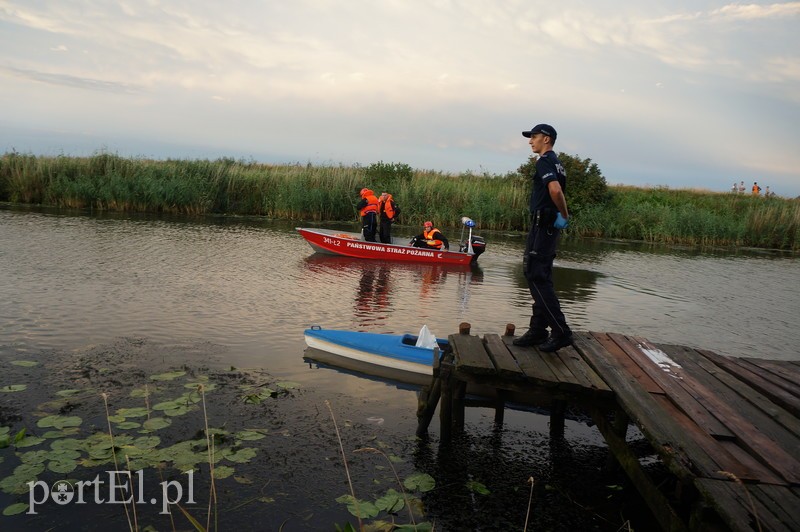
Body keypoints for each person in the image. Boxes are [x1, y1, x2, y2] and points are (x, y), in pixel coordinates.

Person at [513, 123, 573, 353]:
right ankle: (538, 330)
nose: (530, 141)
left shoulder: (545, 161)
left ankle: (561, 331)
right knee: (541, 276)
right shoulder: (558, 163)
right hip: (547, 227)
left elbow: (556, 190)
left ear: (546, 139)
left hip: (543, 225)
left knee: (535, 275)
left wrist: (564, 215)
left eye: (534, 137)